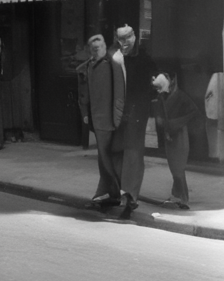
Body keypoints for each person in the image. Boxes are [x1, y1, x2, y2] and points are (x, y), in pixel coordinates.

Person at [110, 24, 157, 218]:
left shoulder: (145, 59)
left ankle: (131, 198)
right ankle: (119, 193)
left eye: (128, 37)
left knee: (133, 155)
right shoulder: (115, 59)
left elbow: (153, 86)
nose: (125, 41)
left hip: (137, 114)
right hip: (119, 113)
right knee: (116, 153)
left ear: (135, 37)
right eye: (121, 38)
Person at [77, 33, 125, 209]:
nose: (97, 49)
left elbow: (119, 92)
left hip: (107, 119)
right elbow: (85, 92)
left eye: (100, 46)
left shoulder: (111, 63)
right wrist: (85, 112)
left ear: (105, 46)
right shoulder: (89, 66)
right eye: (94, 47)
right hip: (96, 118)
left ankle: (115, 192)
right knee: (104, 157)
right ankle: (107, 191)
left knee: (105, 157)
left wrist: (117, 117)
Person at [153, 71, 199, 209]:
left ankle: (184, 198)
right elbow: (159, 114)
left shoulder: (181, 96)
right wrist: (161, 122)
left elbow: (194, 111)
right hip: (168, 135)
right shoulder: (162, 96)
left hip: (180, 135)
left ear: (172, 81)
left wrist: (177, 123)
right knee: (174, 167)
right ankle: (176, 194)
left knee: (178, 168)